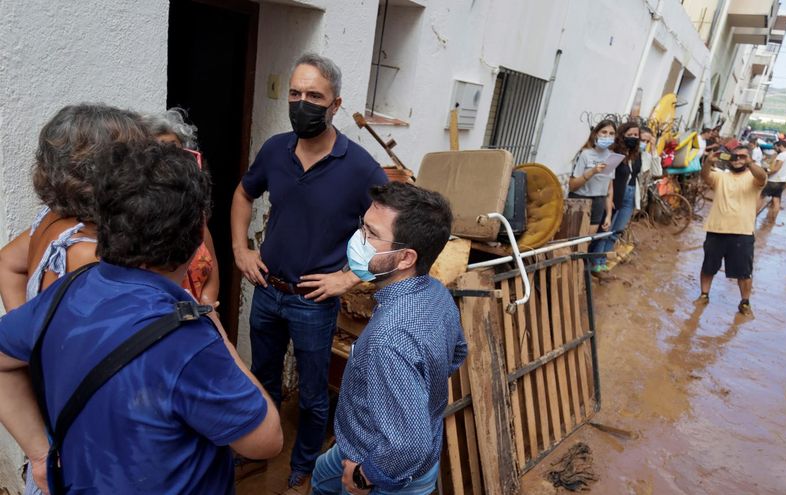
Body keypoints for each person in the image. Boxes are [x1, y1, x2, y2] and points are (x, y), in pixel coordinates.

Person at [0, 142, 282, 493]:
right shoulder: (189, 340)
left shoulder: (69, 290)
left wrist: (39, 453)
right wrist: (216, 330)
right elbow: (266, 440)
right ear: (197, 238)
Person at [230, 52, 388, 487]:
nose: (302, 103)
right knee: (262, 379)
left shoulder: (360, 167)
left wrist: (351, 277)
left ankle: (302, 463)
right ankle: (260, 451)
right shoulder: (275, 150)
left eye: (314, 96)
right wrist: (240, 249)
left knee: (315, 395)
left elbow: (396, 231)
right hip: (267, 288)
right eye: (295, 93)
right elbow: (244, 195)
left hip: (313, 303)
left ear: (335, 104)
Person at [0, 104, 149, 494]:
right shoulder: (89, 253)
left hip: (53, 416)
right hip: (83, 444)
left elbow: (7, 264)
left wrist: (31, 335)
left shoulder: (50, 221)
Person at [310, 182, 467, 495]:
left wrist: (365, 476)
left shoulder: (390, 339)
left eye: (371, 234)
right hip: (362, 443)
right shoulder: (435, 292)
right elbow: (458, 353)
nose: (359, 240)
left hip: (381, 471)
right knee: (321, 476)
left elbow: (409, 444)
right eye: (362, 227)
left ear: (405, 258)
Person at [141, 108, 220, 305]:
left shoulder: (196, 217)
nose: (167, 162)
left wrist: (206, 306)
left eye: (174, 152)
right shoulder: (133, 220)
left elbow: (212, 273)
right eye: (157, 152)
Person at [696, 145, 767, 316]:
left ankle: (745, 302)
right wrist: (708, 162)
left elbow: (762, 176)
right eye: (734, 157)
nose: (738, 160)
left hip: (742, 232)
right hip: (716, 229)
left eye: (742, 157)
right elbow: (705, 176)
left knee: (744, 272)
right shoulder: (721, 176)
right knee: (708, 266)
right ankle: (704, 295)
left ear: (749, 158)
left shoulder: (753, 178)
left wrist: (749, 162)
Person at [589, 122, 651, 273]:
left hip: (630, 195)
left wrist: (651, 148)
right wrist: (609, 200)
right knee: (605, 230)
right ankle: (594, 262)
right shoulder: (614, 154)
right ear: (622, 135)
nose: (633, 138)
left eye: (636, 135)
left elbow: (650, 170)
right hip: (616, 195)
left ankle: (602, 260)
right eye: (629, 135)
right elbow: (606, 178)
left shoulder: (637, 155)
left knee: (616, 231)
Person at [568, 120, 616, 273]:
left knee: (585, 242)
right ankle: (565, 272)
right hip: (579, 201)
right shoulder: (585, 154)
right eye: (604, 132)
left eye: (611, 134)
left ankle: (576, 274)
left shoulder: (612, 158)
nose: (607, 136)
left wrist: (608, 215)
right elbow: (572, 185)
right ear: (596, 134)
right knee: (570, 242)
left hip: (598, 203)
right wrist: (592, 172)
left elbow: (609, 189)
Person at [761, 141, 786, 221]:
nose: (775, 149)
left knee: (760, 197)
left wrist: (766, 173)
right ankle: (772, 221)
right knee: (776, 201)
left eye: (776, 147)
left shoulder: (781, 155)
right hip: (782, 182)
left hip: (773, 180)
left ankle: (753, 215)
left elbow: (776, 169)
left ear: (780, 146)